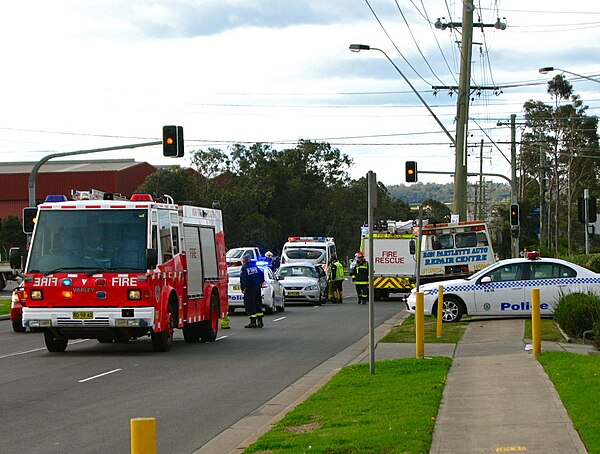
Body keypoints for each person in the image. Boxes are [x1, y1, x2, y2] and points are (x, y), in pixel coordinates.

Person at [240, 253, 265, 328]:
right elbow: (261, 273)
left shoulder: (244, 268)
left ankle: (253, 322)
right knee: (257, 303)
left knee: (250, 304)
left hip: (250, 288)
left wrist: (243, 288)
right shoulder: (254, 267)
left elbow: (243, 279)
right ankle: (260, 322)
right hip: (257, 287)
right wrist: (260, 282)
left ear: (244, 261)